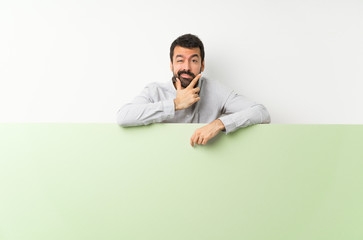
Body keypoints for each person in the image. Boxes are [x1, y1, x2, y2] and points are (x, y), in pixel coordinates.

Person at [117, 33, 270, 146]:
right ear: (171, 65)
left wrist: (218, 124)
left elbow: (261, 112)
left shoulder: (216, 90)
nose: (186, 67)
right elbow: (123, 117)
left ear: (202, 65)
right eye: (180, 60)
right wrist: (176, 104)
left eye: (194, 60)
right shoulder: (155, 91)